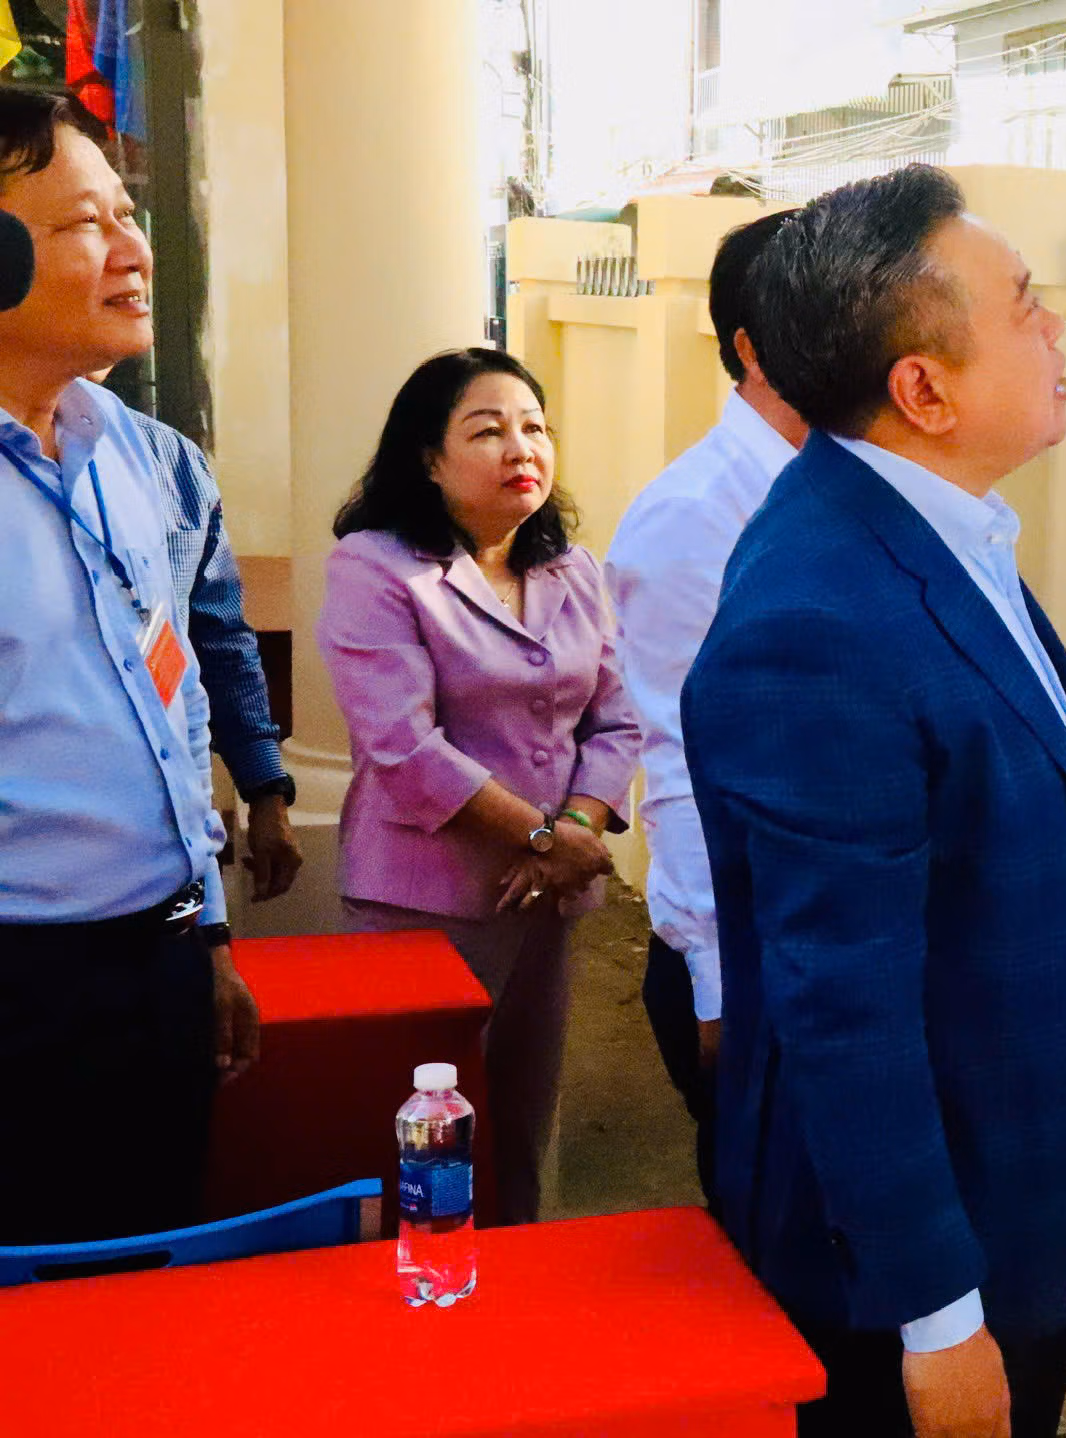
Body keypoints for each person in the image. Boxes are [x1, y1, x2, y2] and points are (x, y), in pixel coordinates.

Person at [686, 165, 1066, 1438]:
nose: (1057, 327)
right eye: (1026, 304)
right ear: (924, 391)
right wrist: (938, 1323)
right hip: (916, 1271)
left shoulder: (935, 526)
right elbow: (845, 1008)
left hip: (1012, 1193)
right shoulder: (818, 621)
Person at [0, 89, 258, 1244]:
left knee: (148, 1279)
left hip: (159, 960)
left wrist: (206, 936)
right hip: (21, 989)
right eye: (82, 224)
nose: (134, 250)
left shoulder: (134, 460)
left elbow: (171, 706)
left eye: (126, 213)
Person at [319, 347, 641, 1229]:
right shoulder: (377, 568)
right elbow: (402, 745)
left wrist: (575, 831)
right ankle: (422, 1296)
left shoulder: (572, 570)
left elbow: (616, 720)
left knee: (520, 1126)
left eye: (535, 427)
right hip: (425, 905)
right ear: (429, 458)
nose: (520, 448)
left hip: (545, 905)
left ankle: (515, 1292)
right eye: (488, 430)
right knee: (426, 1147)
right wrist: (543, 838)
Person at [606, 210, 806, 1209]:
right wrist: (720, 988)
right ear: (754, 347)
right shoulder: (696, 515)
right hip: (747, 960)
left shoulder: (846, 490)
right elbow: (684, 762)